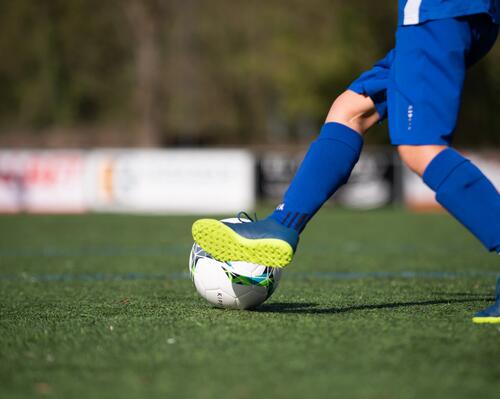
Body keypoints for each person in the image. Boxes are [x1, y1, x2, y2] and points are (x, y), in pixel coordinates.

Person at [192, 0, 500, 323]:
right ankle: (282, 225)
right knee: (351, 110)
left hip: (438, 10)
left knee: (420, 148)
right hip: (453, 12)